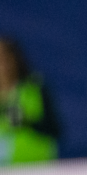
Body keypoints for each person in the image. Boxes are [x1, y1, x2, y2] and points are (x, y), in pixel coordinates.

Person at [0, 37, 59, 165]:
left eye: (5, 58)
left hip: (34, 172)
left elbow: (55, 130)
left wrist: (26, 121)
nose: (2, 65)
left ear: (14, 60)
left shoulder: (34, 88)